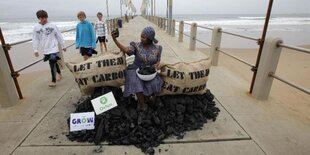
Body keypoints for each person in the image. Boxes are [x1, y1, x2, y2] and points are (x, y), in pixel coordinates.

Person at [111, 26, 163, 110]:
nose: (141, 38)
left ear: (150, 38)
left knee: (154, 83)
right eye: (141, 36)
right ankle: (142, 104)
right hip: (135, 68)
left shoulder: (158, 48)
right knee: (137, 83)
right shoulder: (136, 46)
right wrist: (115, 40)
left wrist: (156, 65)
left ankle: (145, 99)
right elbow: (127, 50)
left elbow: (158, 61)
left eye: (144, 37)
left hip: (150, 72)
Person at [32, 10, 66, 87]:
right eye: (42, 18)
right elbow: (35, 39)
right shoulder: (36, 27)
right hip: (45, 49)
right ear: (39, 18)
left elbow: (59, 36)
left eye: (45, 17)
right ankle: (59, 73)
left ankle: (53, 81)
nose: (44, 19)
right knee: (53, 62)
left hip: (54, 47)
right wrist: (35, 49)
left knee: (52, 62)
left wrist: (63, 45)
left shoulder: (53, 25)